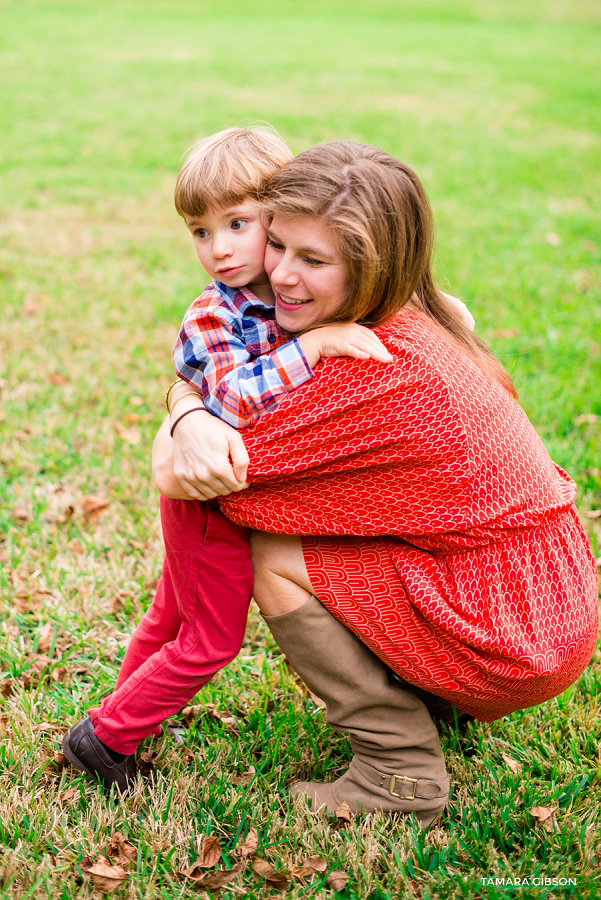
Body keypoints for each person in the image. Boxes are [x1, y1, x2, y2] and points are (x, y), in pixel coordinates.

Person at [153, 140, 598, 828]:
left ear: (371, 267)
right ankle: (428, 700)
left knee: (272, 551)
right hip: (536, 596)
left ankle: (399, 771)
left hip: (513, 631)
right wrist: (193, 400)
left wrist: (184, 409)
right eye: (279, 246)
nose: (280, 277)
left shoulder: (369, 372)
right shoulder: (409, 317)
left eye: (313, 260)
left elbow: (192, 478)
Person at [61, 127, 394, 793]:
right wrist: (320, 345)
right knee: (211, 638)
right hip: (209, 496)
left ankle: (131, 712)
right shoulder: (214, 316)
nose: (217, 249)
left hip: (234, 493)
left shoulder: (284, 289)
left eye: (237, 224)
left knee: (170, 618)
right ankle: (106, 738)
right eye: (200, 231)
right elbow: (236, 400)